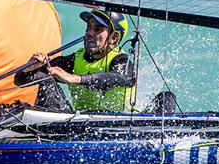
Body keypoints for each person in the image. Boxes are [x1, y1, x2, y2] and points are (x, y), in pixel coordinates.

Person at [15, 9, 177, 113]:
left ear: (113, 38)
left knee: (167, 97)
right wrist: (29, 69)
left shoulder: (121, 60)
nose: (89, 33)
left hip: (120, 127)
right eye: (88, 28)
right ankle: (42, 134)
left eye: (98, 29)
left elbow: (120, 78)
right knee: (48, 80)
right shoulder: (74, 60)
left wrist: (75, 78)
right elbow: (20, 81)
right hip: (78, 124)